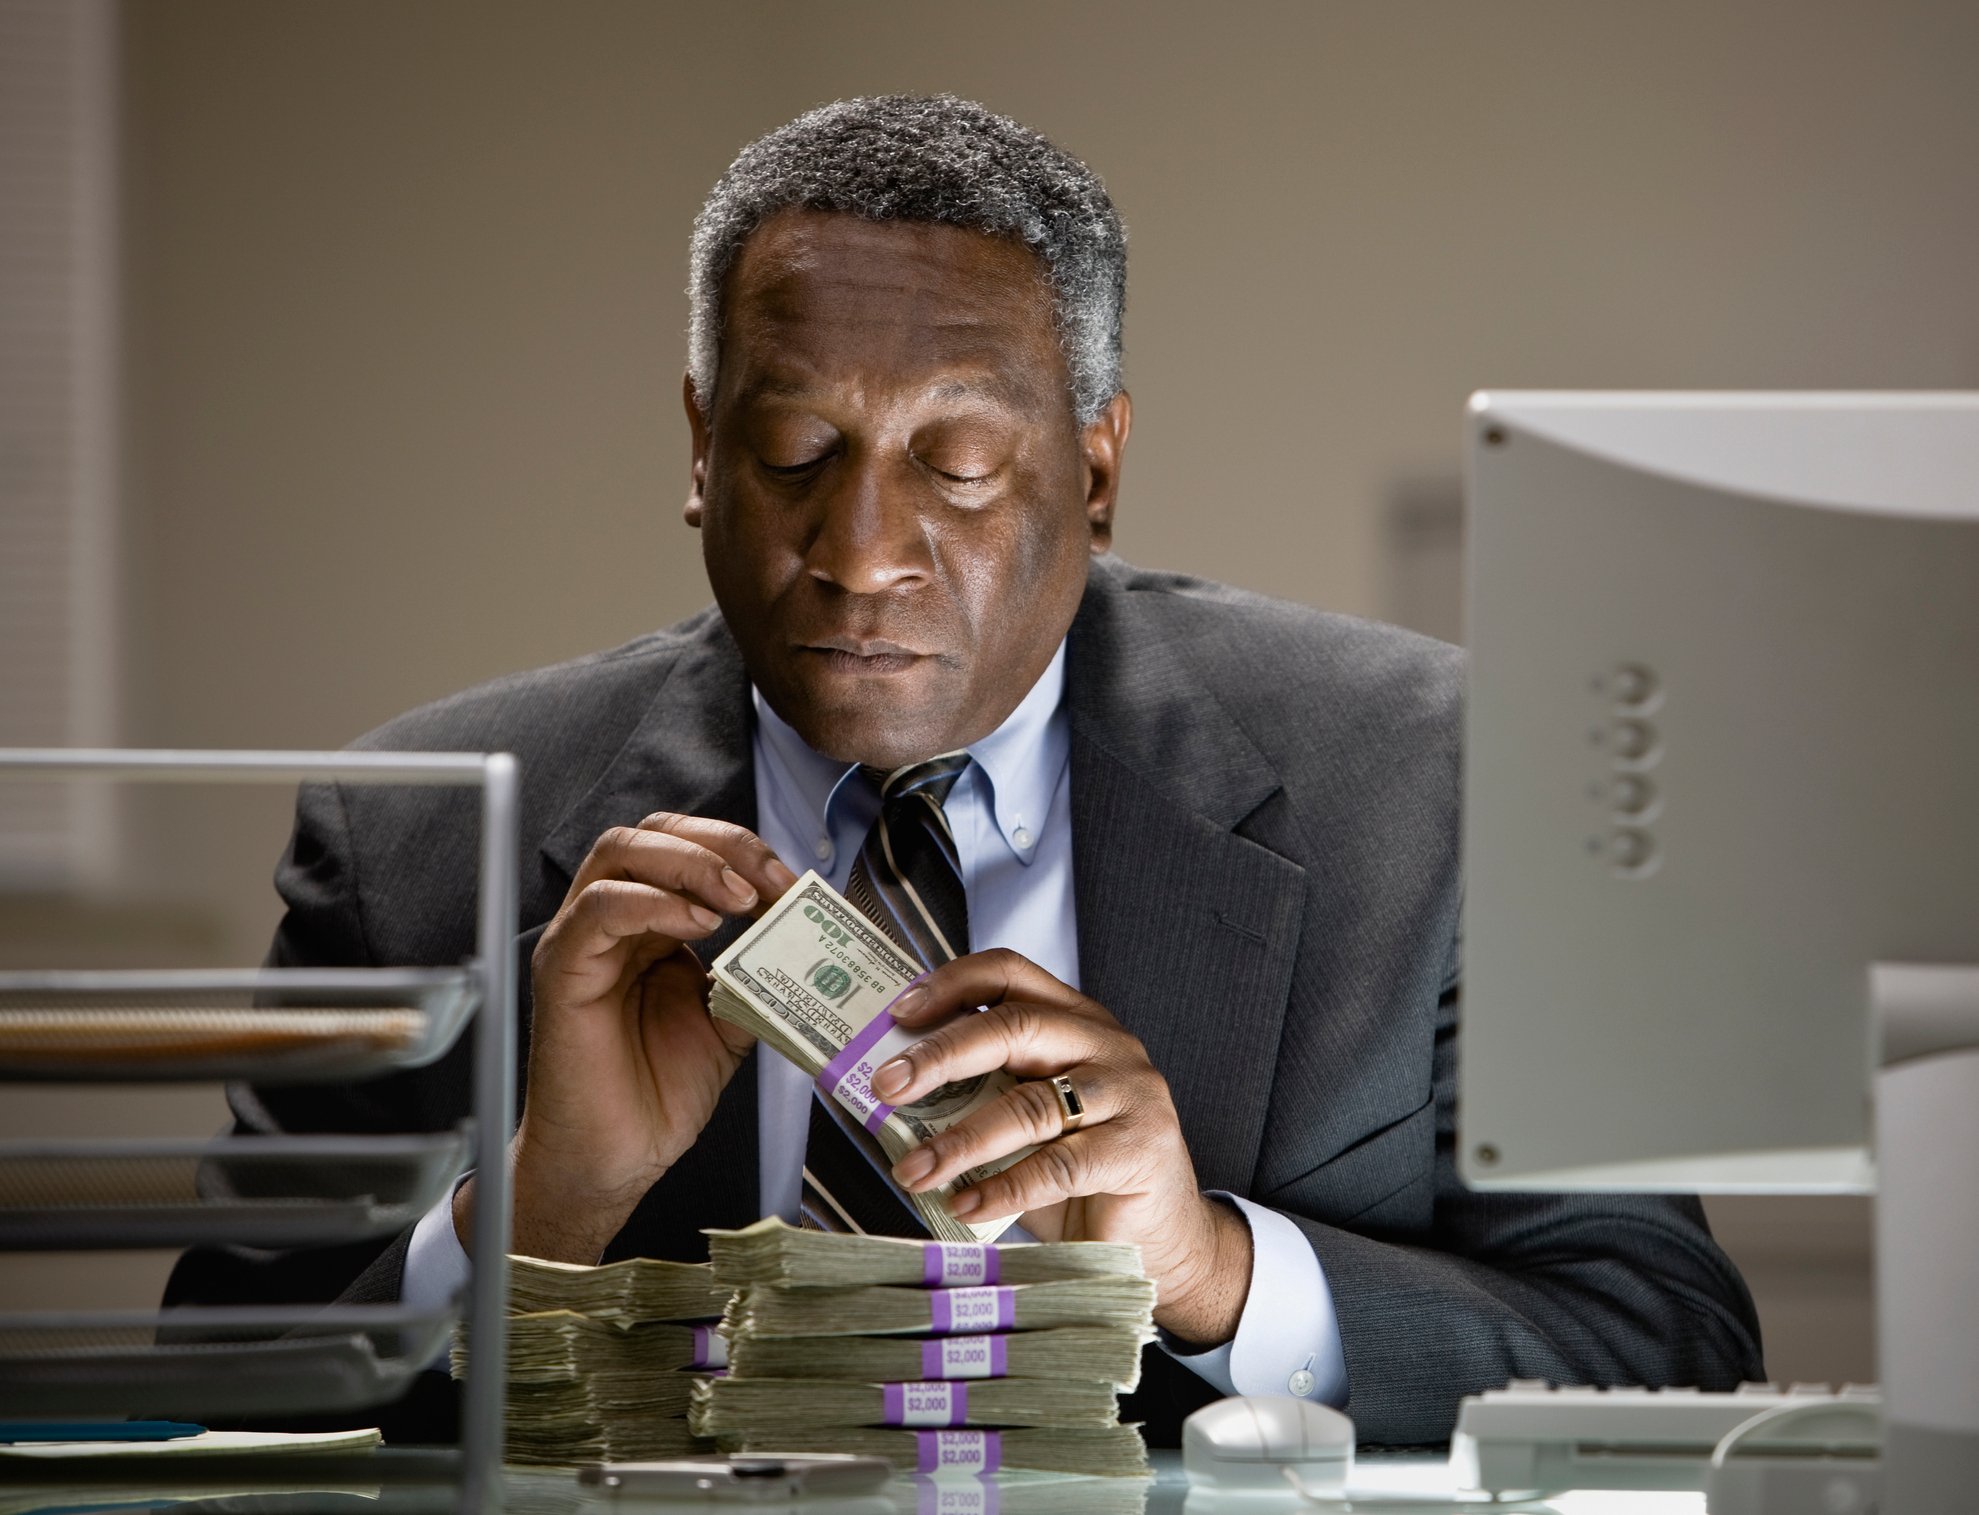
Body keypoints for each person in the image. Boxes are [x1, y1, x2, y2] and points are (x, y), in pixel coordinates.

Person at [166, 94, 1761, 1445]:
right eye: (794, 457)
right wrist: (536, 1216)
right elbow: (215, 1399)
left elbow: (1669, 1343)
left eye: (962, 463)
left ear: (1100, 467)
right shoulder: (417, 828)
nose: (861, 556)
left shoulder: (1441, 782)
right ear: (700, 451)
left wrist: (1212, 1269)